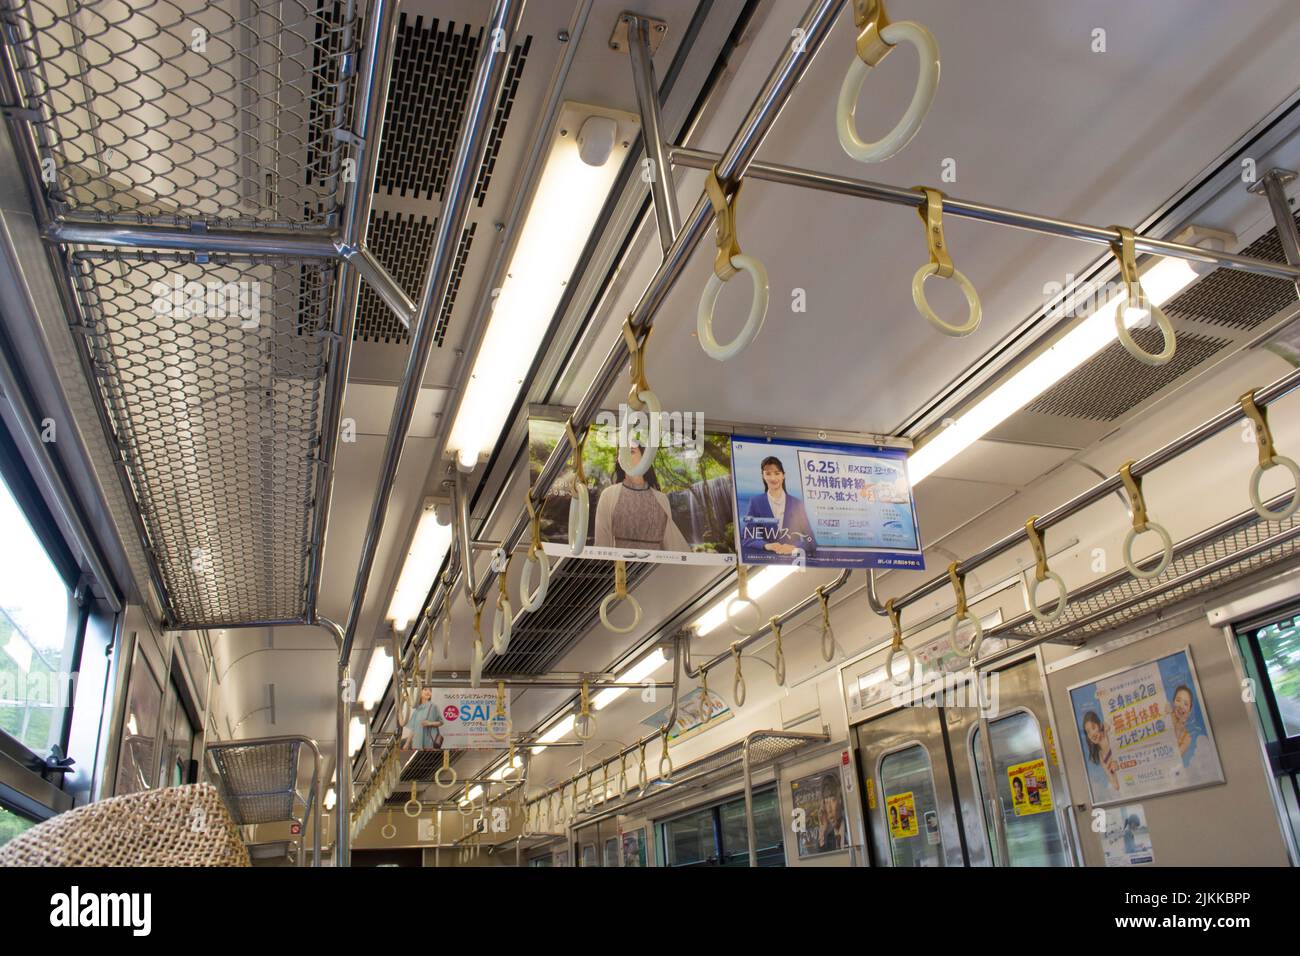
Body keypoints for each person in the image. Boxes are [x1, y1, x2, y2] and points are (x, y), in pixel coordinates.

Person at [593, 441, 689, 552]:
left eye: (631, 452)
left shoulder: (661, 499)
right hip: (619, 567)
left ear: (644, 458)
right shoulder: (608, 495)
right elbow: (601, 545)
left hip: (655, 567)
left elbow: (670, 544)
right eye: (622, 453)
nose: (626, 456)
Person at [740, 456, 816, 562]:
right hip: (767, 563)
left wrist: (793, 547)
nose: (773, 478)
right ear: (763, 476)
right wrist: (767, 545)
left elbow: (811, 540)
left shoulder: (797, 504)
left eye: (777, 473)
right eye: (768, 474)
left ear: (783, 475)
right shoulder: (756, 502)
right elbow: (746, 538)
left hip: (795, 563)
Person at [1082, 710, 1120, 791]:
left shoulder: (1109, 734)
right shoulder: (1101, 756)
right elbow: (1115, 785)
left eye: (1093, 728)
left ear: (1099, 725)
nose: (1092, 734)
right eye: (1088, 732)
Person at [401, 686, 443, 751]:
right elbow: (413, 729)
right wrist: (407, 743)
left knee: (431, 759)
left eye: (430, 690)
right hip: (417, 743)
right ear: (420, 693)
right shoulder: (417, 709)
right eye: (425, 690)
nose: (428, 692)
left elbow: (441, 722)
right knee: (418, 760)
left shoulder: (433, 707)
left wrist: (430, 723)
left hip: (430, 742)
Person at [817, 775, 845, 852]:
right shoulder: (827, 836)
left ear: (840, 801)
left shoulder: (849, 829)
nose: (828, 809)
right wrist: (823, 829)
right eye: (826, 802)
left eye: (832, 800)